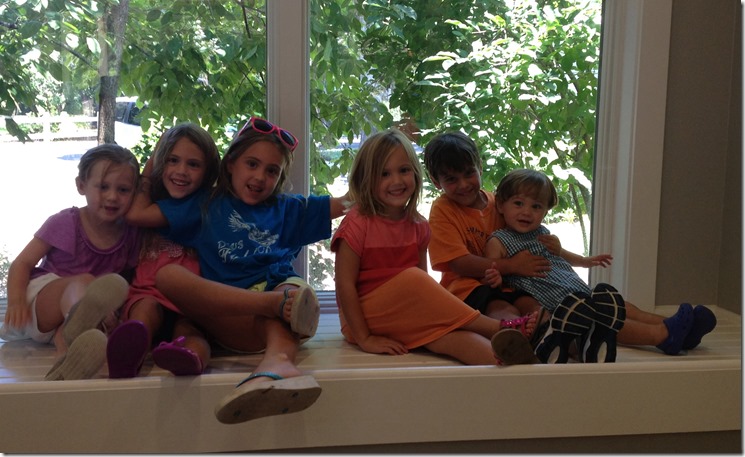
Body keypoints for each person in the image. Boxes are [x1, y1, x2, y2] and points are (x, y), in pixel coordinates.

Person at [125, 116, 348, 423]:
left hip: (277, 319)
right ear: (230, 164)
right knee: (168, 276)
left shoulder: (288, 208)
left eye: (272, 171)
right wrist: (154, 163)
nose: (260, 177)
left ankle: (278, 365)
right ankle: (271, 307)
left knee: (291, 290)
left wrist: (380, 177)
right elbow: (137, 214)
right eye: (252, 164)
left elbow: (348, 202)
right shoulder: (205, 204)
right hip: (229, 314)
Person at [331, 128, 539, 367]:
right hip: (363, 320)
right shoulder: (358, 223)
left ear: (415, 173)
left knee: (458, 339)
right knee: (413, 278)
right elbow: (344, 285)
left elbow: (423, 292)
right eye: (384, 174)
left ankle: (529, 369)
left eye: (404, 170)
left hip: (404, 316)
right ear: (365, 179)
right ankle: (496, 327)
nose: (396, 181)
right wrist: (364, 338)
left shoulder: (418, 225)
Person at [484, 168, 718, 363]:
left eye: (536, 206)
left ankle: (676, 326)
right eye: (518, 203)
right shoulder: (499, 240)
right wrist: (496, 276)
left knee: (622, 306)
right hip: (556, 301)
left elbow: (563, 256)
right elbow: (492, 268)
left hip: (576, 289)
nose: (527, 212)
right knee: (605, 320)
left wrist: (586, 261)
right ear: (501, 205)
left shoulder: (543, 234)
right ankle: (662, 335)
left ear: (545, 211)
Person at [0, 144, 141, 380]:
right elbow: (22, 263)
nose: (112, 196)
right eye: (103, 186)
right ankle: (78, 322)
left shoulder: (131, 234)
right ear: (81, 185)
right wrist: (15, 302)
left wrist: (115, 314)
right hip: (41, 304)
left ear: (135, 192)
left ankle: (66, 360)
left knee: (90, 327)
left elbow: (128, 280)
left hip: (72, 322)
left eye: (123, 190)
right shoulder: (66, 222)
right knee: (85, 282)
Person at [106, 123, 221, 378]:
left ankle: (190, 359)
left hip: (188, 299)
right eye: (172, 160)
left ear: (208, 171)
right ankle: (128, 358)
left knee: (190, 330)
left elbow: (135, 215)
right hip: (148, 295)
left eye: (193, 164)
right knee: (145, 314)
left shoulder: (198, 204)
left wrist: (149, 171)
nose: (181, 171)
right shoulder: (156, 200)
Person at [423, 131, 552, 341]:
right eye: (451, 179)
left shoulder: (499, 203)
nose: (463, 184)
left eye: (468, 173)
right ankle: (515, 337)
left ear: (480, 167)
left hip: (510, 283)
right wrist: (513, 265)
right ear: (436, 181)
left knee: (534, 306)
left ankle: (551, 338)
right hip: (468, 287)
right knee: (498, 307)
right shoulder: (442, 209)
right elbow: (459, 264)